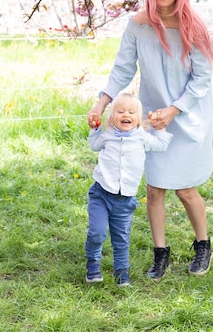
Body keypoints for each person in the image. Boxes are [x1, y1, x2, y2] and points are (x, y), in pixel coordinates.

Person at [87, 0, 213, 282]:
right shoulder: (138, 25)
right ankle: (161, 253)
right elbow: (122, 69)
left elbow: (201, 79)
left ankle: (203, 244)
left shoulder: (194, 27)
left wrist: (174, 110)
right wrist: (101, 103)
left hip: (186, 115)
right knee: (155, 189)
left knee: (185, 189)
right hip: (151, 117)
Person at [85, 92, 173, 286]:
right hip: (101, 193)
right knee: (97, 232)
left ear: (138, 119)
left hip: (125, 200)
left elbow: (160, 145)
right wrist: (95, 128)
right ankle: (92, 264)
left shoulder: (141, 137)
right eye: (121, 111)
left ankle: (122, 272)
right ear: (112, 116)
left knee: (121, 239)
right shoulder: (108, 134)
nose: (126, 114)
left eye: (132, 112)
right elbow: (93, 145)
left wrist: (161, 128)